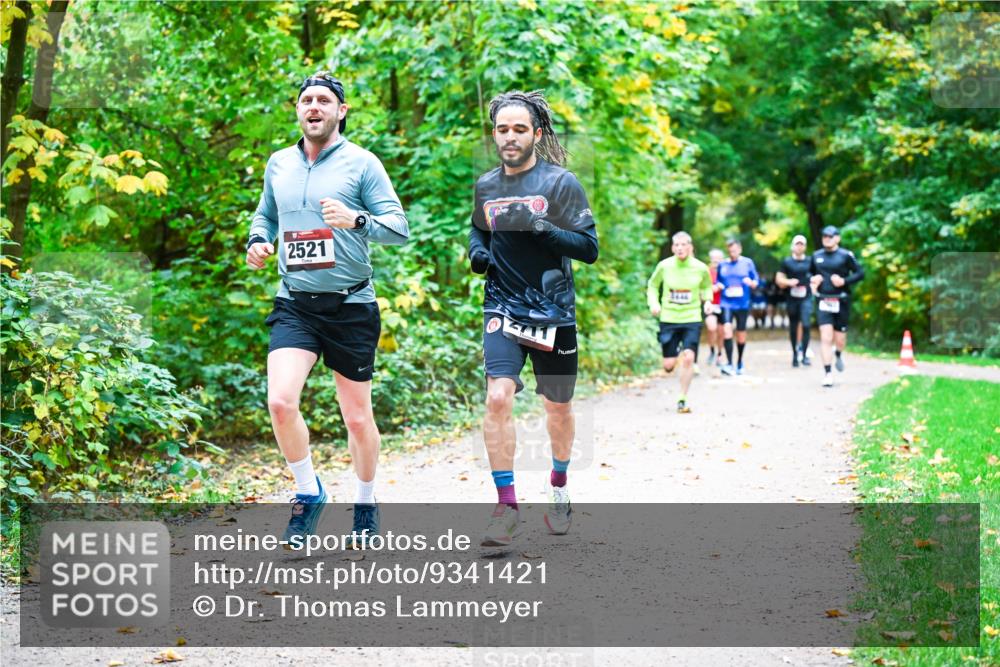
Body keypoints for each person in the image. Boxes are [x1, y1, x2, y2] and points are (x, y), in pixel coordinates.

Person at [246, 72, 409, 547]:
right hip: (295, 302)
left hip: (351, 304)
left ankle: (364, 501)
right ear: (297, 110)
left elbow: (398, 227)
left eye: (323, 100)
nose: (313, 106)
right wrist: (258, 240)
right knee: (280, 401)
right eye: (305, 100)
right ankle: (307, 492)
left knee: (357, 418)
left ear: (341, 111)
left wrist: (358, 219)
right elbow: (265, 215)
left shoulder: (363, 163)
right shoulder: (279, 163)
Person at [468, 90, 598, 547]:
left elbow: (589, 248)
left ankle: (559, 485)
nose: (510, 136)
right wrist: (477, 252)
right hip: (502, 306)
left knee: (557, 408)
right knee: (498, 398)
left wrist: (545, 229)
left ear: (536, 134)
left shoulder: (561, 184)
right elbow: (478, 227)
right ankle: (505, 507)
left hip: (552, 311)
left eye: (519, 129)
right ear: (495, 134)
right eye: (502, 129)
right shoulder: (486, 185)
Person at [646, 232, 714, 413]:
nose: (680, 248)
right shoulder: (665, 266)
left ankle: (682, 398)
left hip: (691, 318)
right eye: (677, 245)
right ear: (672, 248)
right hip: (669, 318)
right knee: (668, 366)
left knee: (689, 357)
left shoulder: (700, 267)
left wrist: (707, 301)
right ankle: (674, 357)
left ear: (691, 247)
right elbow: (652, 285)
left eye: (684, 245)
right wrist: (654, 303)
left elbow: (707, 286)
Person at [809, 225, 864, 387]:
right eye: (824, 236)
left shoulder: (846, 255)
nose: (827, 238)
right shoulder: (816, 256)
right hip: (824, 300)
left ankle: (838, 353)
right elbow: (808, 273)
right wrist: (813, 280)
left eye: (830, 236)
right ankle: (827, 373)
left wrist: (844, 281)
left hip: (842, 300)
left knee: (839, 340)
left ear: (837, 238)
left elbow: (860, 273)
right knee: (826, 337)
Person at [716, 239, 759, 375]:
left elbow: (756, 281)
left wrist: (751, 283)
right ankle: (729, 363)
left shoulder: (747, 263)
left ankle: (739, 362)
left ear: (739, 249)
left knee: (741, 334)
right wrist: (718, 286)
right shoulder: (722, 264)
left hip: (742, 303)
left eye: (734, 250)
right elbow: (718, 281)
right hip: (726, 303)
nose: (732, 253)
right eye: (729, 251)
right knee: (727, 330)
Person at [776, 235, 813, 367]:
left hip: (806, 297)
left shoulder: (810, 261)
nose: (799, 246)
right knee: (793, 326)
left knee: (806, 325)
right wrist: (788, 282)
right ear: (793, 246)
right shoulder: (786, 262)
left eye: (802, 244)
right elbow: (779, 279)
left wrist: (815, 286)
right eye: (797, 244)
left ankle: (804, 355)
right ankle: (795, 354)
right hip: (791, 298)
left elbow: (817, 277)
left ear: (805, 246)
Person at [704, 248, 725, 367]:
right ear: (711, 259)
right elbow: (701, 288)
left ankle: (720, 354)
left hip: (724, 304)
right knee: (711, 328)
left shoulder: (726, 271)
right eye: (714, 259)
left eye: (718, 259)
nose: (716, 261)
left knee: (721, 331)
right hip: (710, 303)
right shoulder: (706, 271)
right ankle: (712, 350)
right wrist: (712, 289)